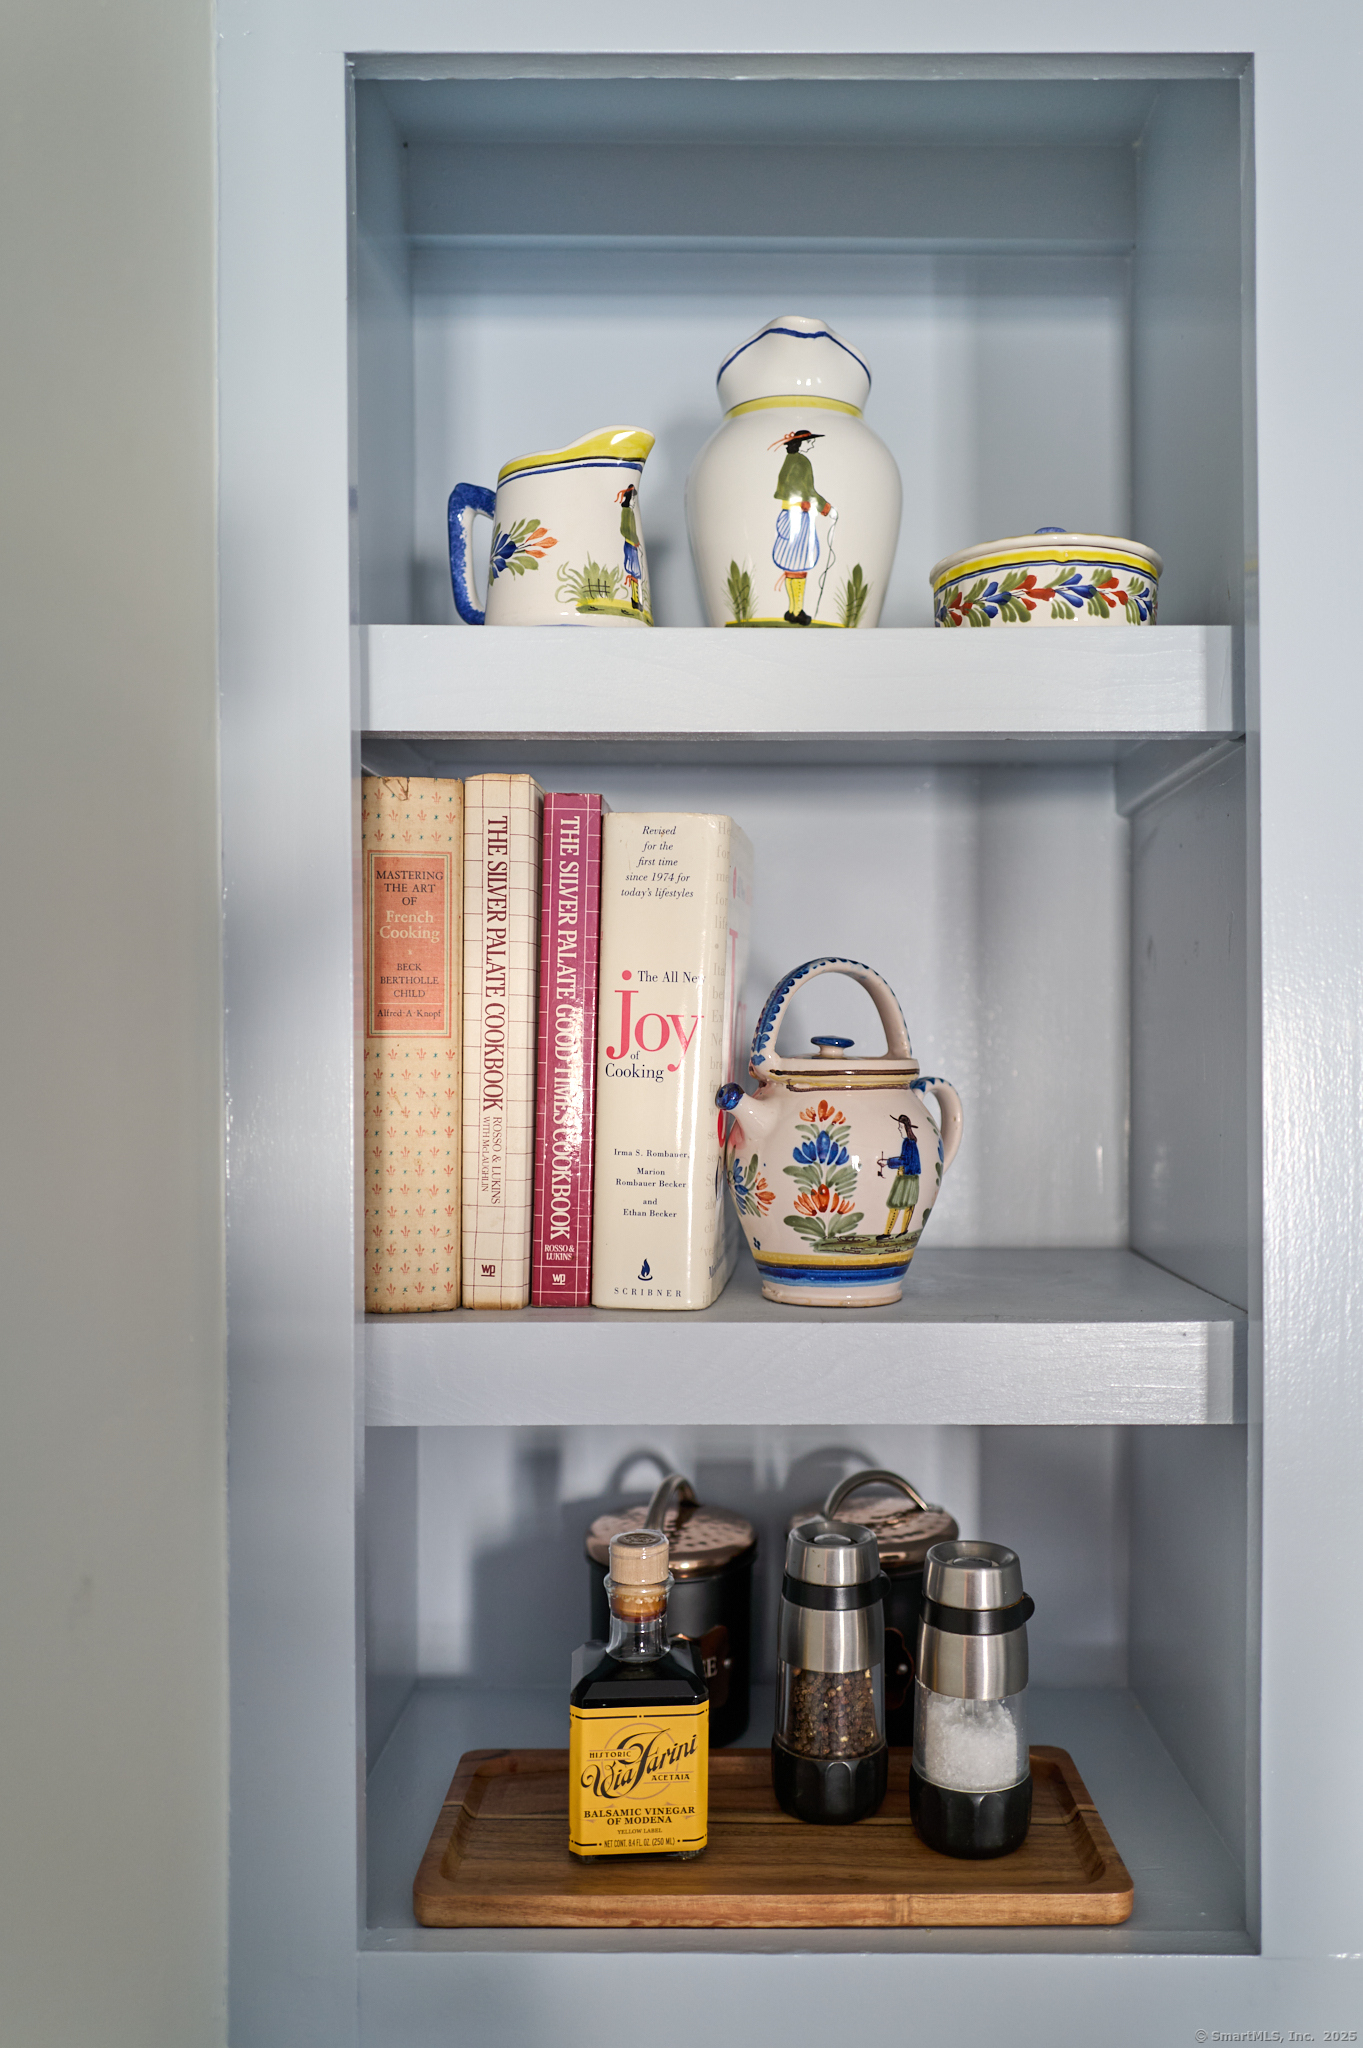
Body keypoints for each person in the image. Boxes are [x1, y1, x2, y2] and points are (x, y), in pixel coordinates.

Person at [770, 428, 833, 623]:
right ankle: (797, 612)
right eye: (809, 441)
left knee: (791, 567)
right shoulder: (802, 462)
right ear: (802, 443)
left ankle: (793, 610)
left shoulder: (789, 461)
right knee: (799, 566)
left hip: (787, 515)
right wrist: (826, 508)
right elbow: (809, 491)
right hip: (799, 517)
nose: (812, 444)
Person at [878, 1113, 921, 1235]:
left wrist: (887, 1162)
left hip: (906, 1177)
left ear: (905, 1128)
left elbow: (905, 1160)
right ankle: (902, 1231)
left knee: (896, 1204)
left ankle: (888, 1233)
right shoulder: (910, 1142)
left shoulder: (908, 1143)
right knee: (908, 1205)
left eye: (900, 1127)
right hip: (910, 1176)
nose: (899, 1129)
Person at [617, 484, 644, 611]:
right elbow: (624, 530)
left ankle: (636, 599)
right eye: (633, 499)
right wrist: (635, 541)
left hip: (633, 544)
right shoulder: (626, 511)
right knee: (635, 572)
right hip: (630, 545)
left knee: (636, 573)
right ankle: (635, 599)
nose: (634, 501)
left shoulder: (630, 512)